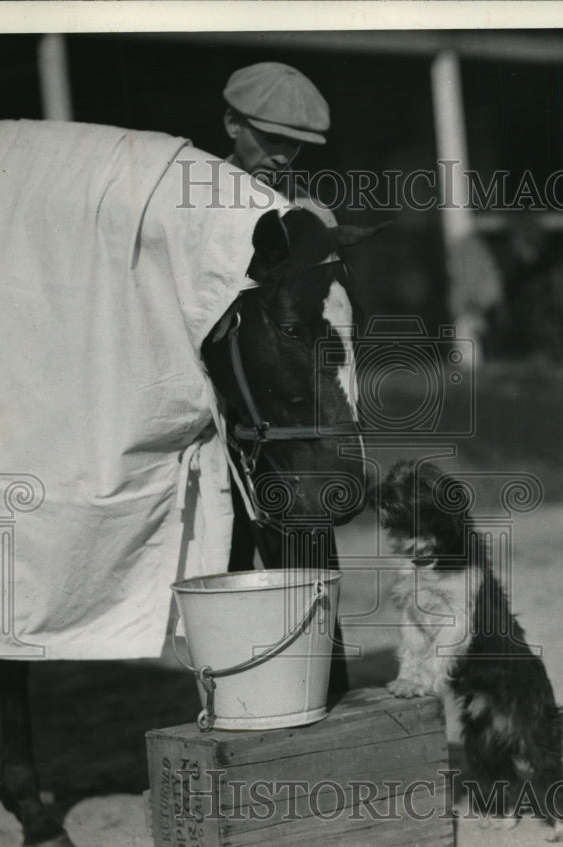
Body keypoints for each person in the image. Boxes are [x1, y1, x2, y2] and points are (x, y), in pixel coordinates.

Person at [220, 63, 349, 695]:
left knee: (308, 555)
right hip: (211, 420)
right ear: (230, 125)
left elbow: (329, 324)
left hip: (289, 419)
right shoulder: (195, 204)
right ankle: (242, 707)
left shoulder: (307, 215)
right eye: (267, 137)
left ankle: (330, 694)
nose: (280, 154)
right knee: (226, 570)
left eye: (293, 145)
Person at [222, 62, 337, 227]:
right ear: (233, 123)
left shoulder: (314, 217)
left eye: (294, 143)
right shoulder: (194, 198)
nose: (282, 158)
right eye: (271, 139)